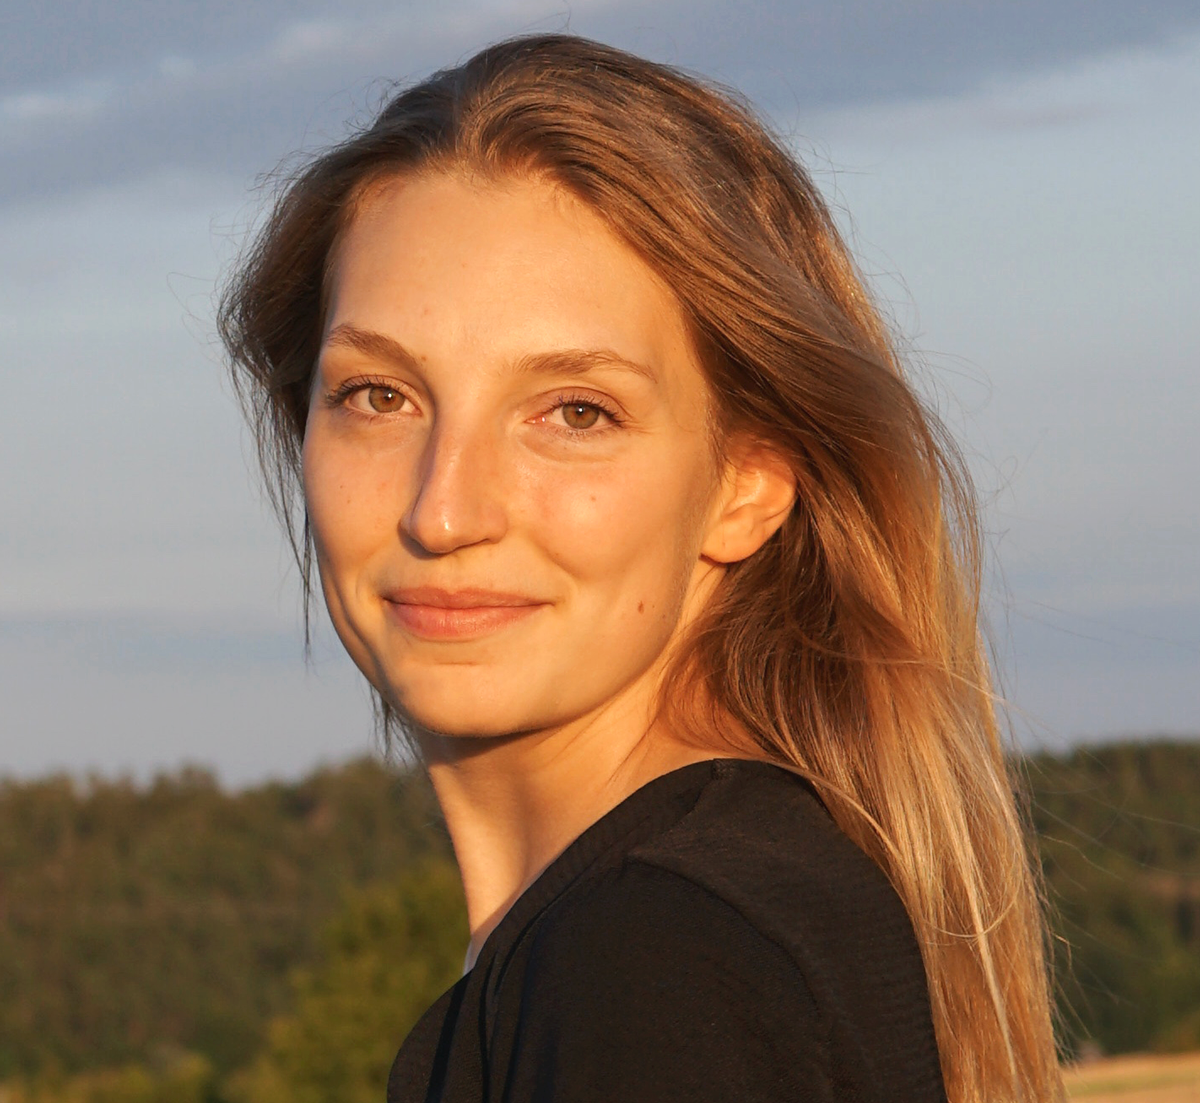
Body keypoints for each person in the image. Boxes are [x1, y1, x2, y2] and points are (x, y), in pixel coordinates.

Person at [219, 34, 1064, 1103]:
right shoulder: (715, 911)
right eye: (378, 396)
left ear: (749, 482)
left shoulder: (653, 958)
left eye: (576, 412)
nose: (443, 509)